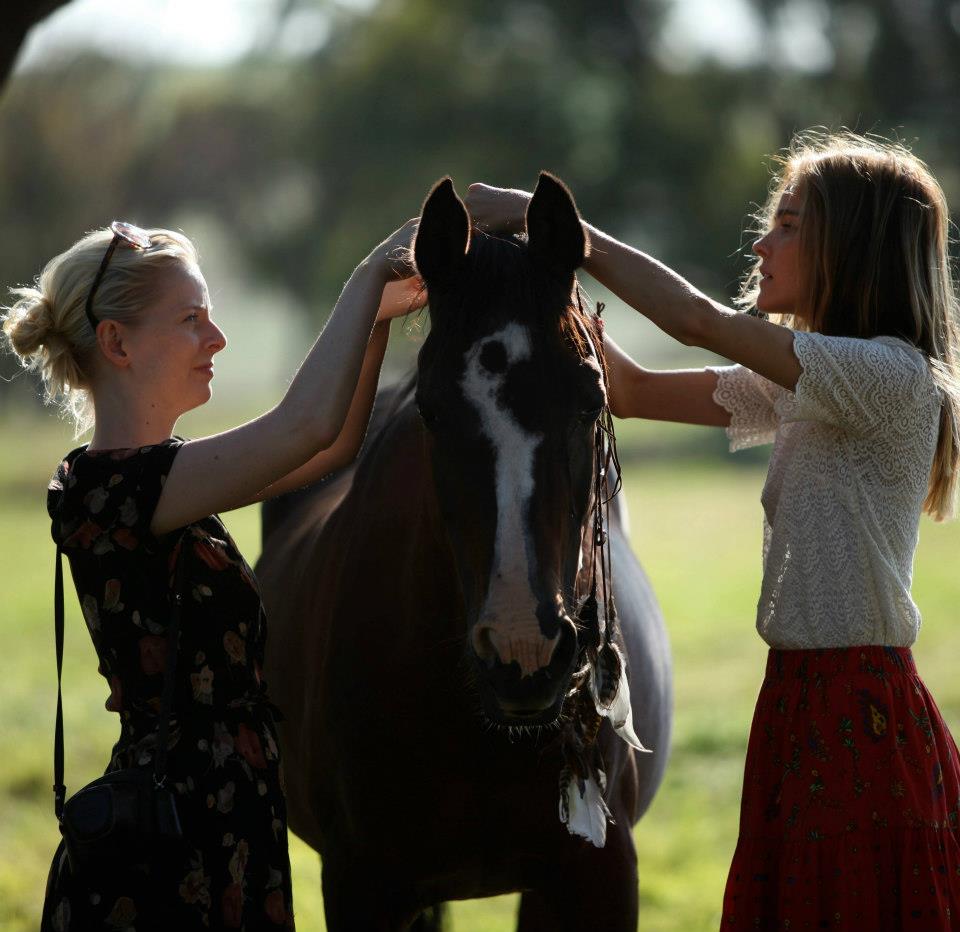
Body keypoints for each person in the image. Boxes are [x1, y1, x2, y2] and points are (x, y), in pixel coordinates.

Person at [466, 130, 960, 929]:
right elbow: (626, 389)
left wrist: (550, 221)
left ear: (855, 246)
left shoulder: (886, 379)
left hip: (860, 723)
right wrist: (548, 279)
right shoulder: (809, 382)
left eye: (791, 224)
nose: (762, 242)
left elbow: (696, 320)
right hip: (799, 703)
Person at [2, 217, 424, 929]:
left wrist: (375, 315)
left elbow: (331, 444)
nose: (217, 339)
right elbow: (305, 427)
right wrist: (365, 277)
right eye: (193, 318)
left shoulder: (164, 481)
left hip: (222, 812)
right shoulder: (109, 489)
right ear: (117, 342)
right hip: (179, 836)